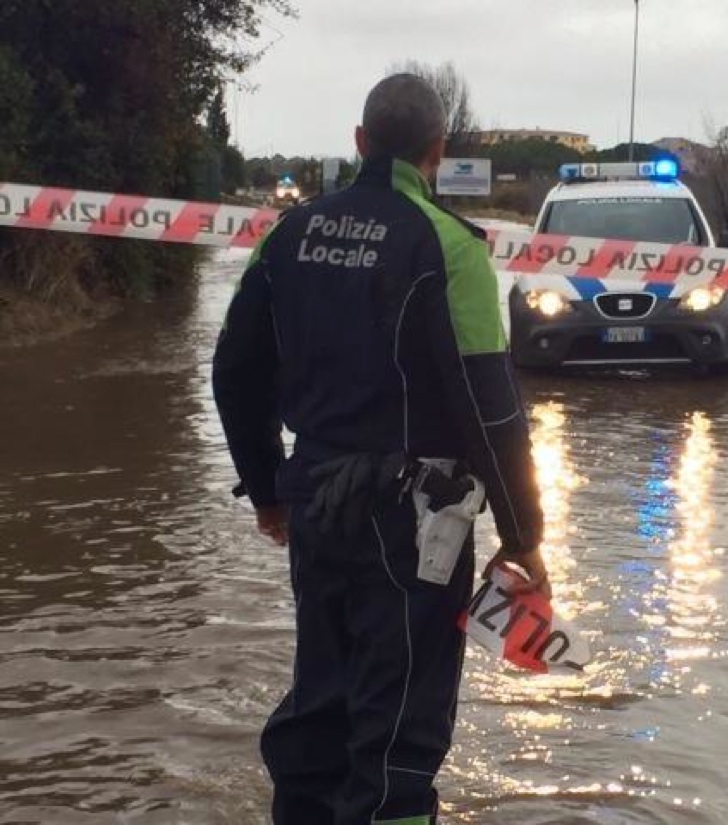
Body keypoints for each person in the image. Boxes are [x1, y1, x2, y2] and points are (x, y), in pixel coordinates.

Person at [212, 73, 547, 825]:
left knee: (320, 708)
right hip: (415, 527)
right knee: (398, 733)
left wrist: (266, 487)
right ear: (437, 151)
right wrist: (525, 536)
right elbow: (491, 412)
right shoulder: (451, 248)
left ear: (359, 143)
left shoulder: (289, 234)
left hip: (316, 505)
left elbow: (234, 368)